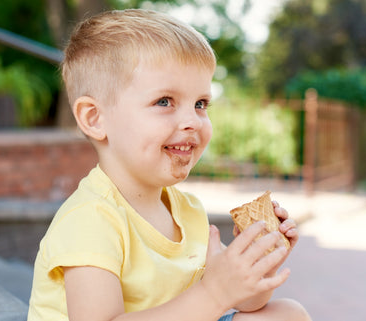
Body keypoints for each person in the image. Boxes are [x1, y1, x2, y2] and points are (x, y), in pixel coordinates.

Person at [28, 8, 311, 321]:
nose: (192, 120)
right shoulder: (90, 220)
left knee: (286, 315)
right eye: (164, 101)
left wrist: (257, 265)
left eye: (201, 104)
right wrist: (214, 293)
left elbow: (240, 303)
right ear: (95, 118)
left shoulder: (187, 210)